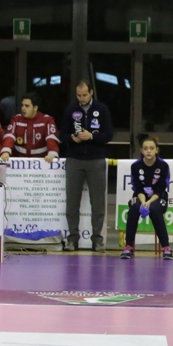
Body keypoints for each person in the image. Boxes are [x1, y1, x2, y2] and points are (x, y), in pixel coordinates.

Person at [59, 79, 114, 252]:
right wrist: (72, 138)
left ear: (91, 93)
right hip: (74, 159)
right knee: (72, 203)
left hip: (96, 160)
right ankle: (72, 239)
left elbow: (109, 134)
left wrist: (92, 136)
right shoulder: (71, 110)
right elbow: (62, 134)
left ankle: (97, 240)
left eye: (84, 95)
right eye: (78, 95)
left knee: (97, 203)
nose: (81, 98)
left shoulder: (101, 109)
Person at [120, 136, 172, 261]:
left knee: (154, 209)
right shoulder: (136, 166)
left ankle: (166, 247)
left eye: (151, 148)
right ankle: (128, 246)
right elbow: (138, 188)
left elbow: (160, 189)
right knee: (134, 208)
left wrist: (149, 202)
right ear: (142, 151)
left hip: (158, 197)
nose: (148, 151)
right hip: (140, 196)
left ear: (156, 150)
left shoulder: (163, 166)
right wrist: (143, 202)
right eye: (145, 148)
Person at [0, 92, 59, 162]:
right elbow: (9, 136)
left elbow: (51, 138)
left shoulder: (47, 120)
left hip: (41, 162)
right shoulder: (16, 119)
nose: (23, 108)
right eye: (22, 105)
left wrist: (52, 153)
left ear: (35, 108)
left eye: (27, 106)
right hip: (19, 161)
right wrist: (6, 151)